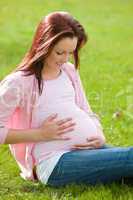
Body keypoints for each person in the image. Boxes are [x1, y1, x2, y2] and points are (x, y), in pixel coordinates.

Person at [0, 11, 133, 187]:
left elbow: (85, 109)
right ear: (43, 45)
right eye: (60, 52)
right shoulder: (19, 83)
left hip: (88, 150)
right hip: (54, 163)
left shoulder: (69, 71)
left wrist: (98, 133)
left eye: (70, 52)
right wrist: (40, 134)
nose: (65, 59)